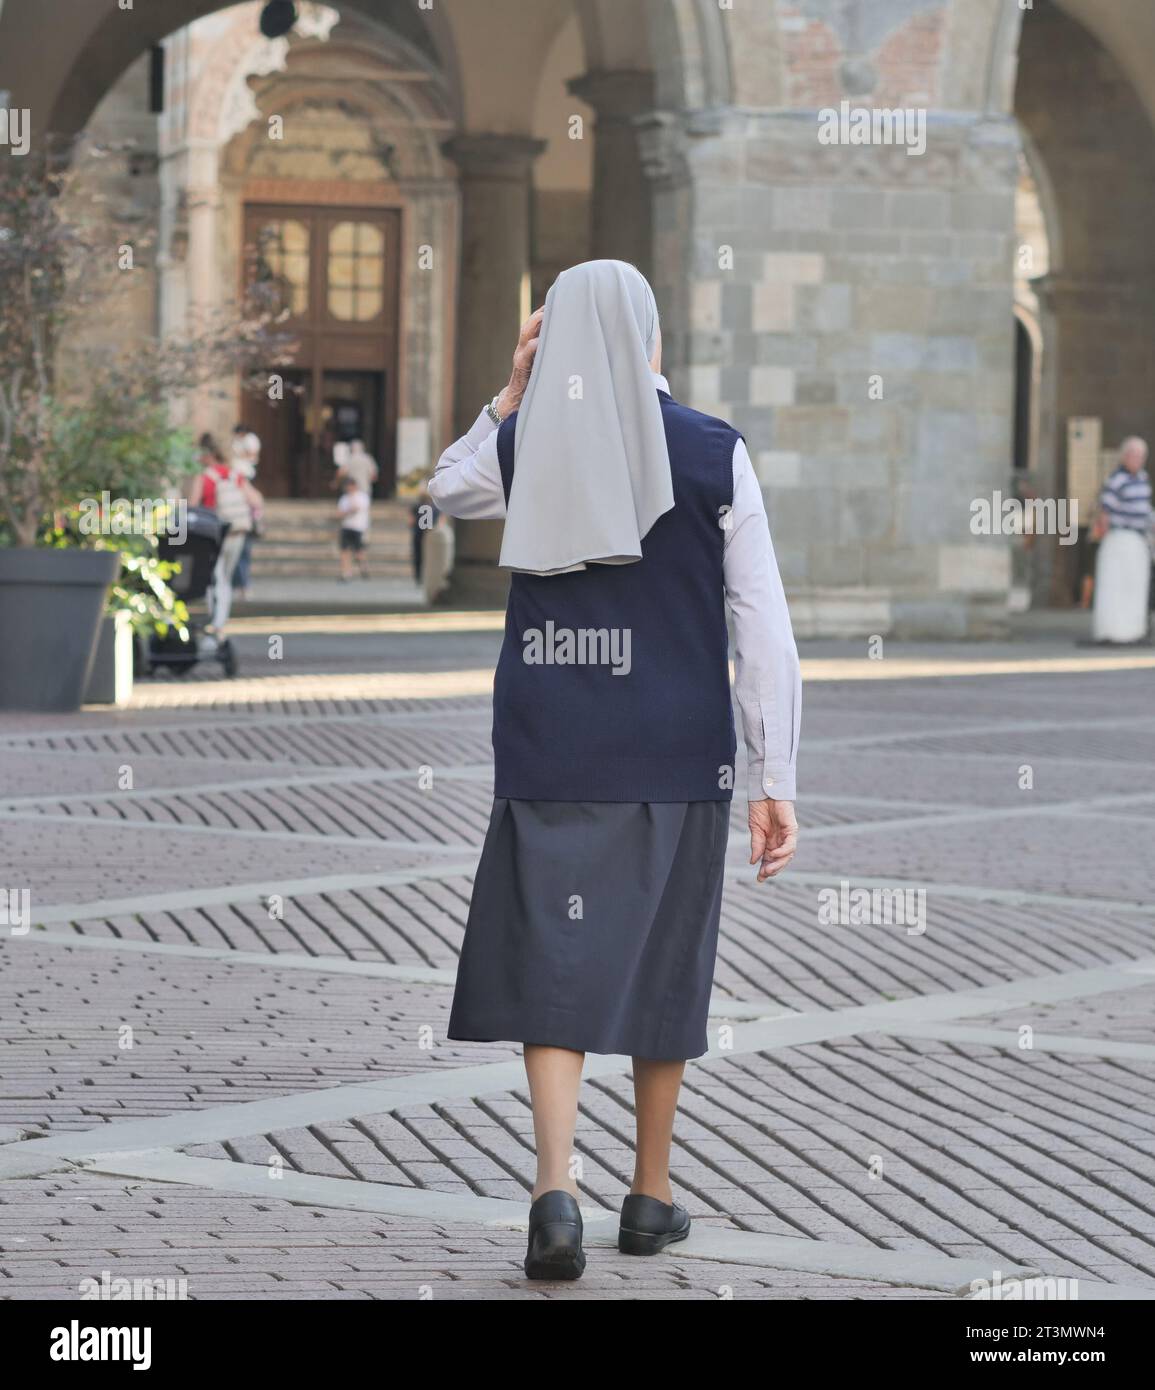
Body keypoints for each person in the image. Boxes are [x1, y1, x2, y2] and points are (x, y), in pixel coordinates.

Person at [429, 260, 800, 1281]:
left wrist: (510, 398)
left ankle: (556, 1190)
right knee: (661, 962)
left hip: (552, 740)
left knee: (553, 955)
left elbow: (442, 494)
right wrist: (777, 773)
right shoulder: (713, 453)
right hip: (675, 750)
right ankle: (651, 1192)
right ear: (650, 339)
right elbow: (762, 627)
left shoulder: (527, 443)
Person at [188, 433, 263, 635]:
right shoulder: (234, 475)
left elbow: (192, 507)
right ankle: (221, 621)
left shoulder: (204, 477)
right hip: (238, 531)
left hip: (215, 534)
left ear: (206, 454)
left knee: (215, 577)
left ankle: (217, 622)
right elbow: (256, 500)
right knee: (225, 578)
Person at [1091, 436, 1152, 643]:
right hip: (1120, 537)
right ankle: (1113, 632)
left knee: (1134, 587)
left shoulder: (1142, 478)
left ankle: (1132, 631)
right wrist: (1107, 537)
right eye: (1134, 455)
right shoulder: (1117, 479)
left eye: (1142, 456)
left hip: (1137, 539)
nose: (1138, 459)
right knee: (1116, 588)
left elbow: (1144, 509)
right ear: (1125, 456)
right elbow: (1104, 511)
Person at [229, 424, 261, 598]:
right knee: (241, 556)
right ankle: (240, 586)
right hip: (240, 522)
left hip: (241, 523)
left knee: (241, 555)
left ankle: (242, 586)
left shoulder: (242, 482)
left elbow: (256, 503)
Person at [336, 475, 370, 580]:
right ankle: (346, 572)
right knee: (344, 551)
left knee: (358, 551)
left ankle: (363, 568)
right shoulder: (344, 498)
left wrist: (348, 509)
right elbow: (339, 513)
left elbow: (355, 508)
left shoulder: (362, 497)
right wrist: (346, 511)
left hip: (358, 527)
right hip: (346, 526)